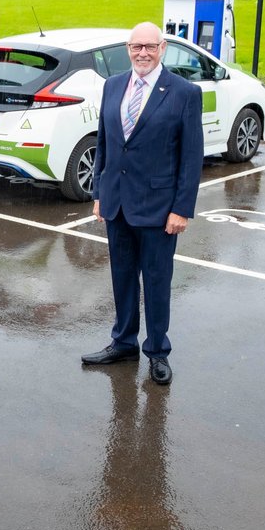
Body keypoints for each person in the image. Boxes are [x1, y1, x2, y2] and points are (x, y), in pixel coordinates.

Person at [82, 21, 204, 385]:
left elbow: (191, 156)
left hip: (159, 208)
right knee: (122, 278)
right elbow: (105, 143)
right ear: (128, 49)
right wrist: (100, 193)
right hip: (117, 203)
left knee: (156, 282)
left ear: (163, 48)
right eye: (137, 47)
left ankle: (158, 351)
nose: (143, 53)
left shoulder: (184, 93)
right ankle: (123, 342)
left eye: (150, 46)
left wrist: (181, 209)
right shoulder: (113, 85)